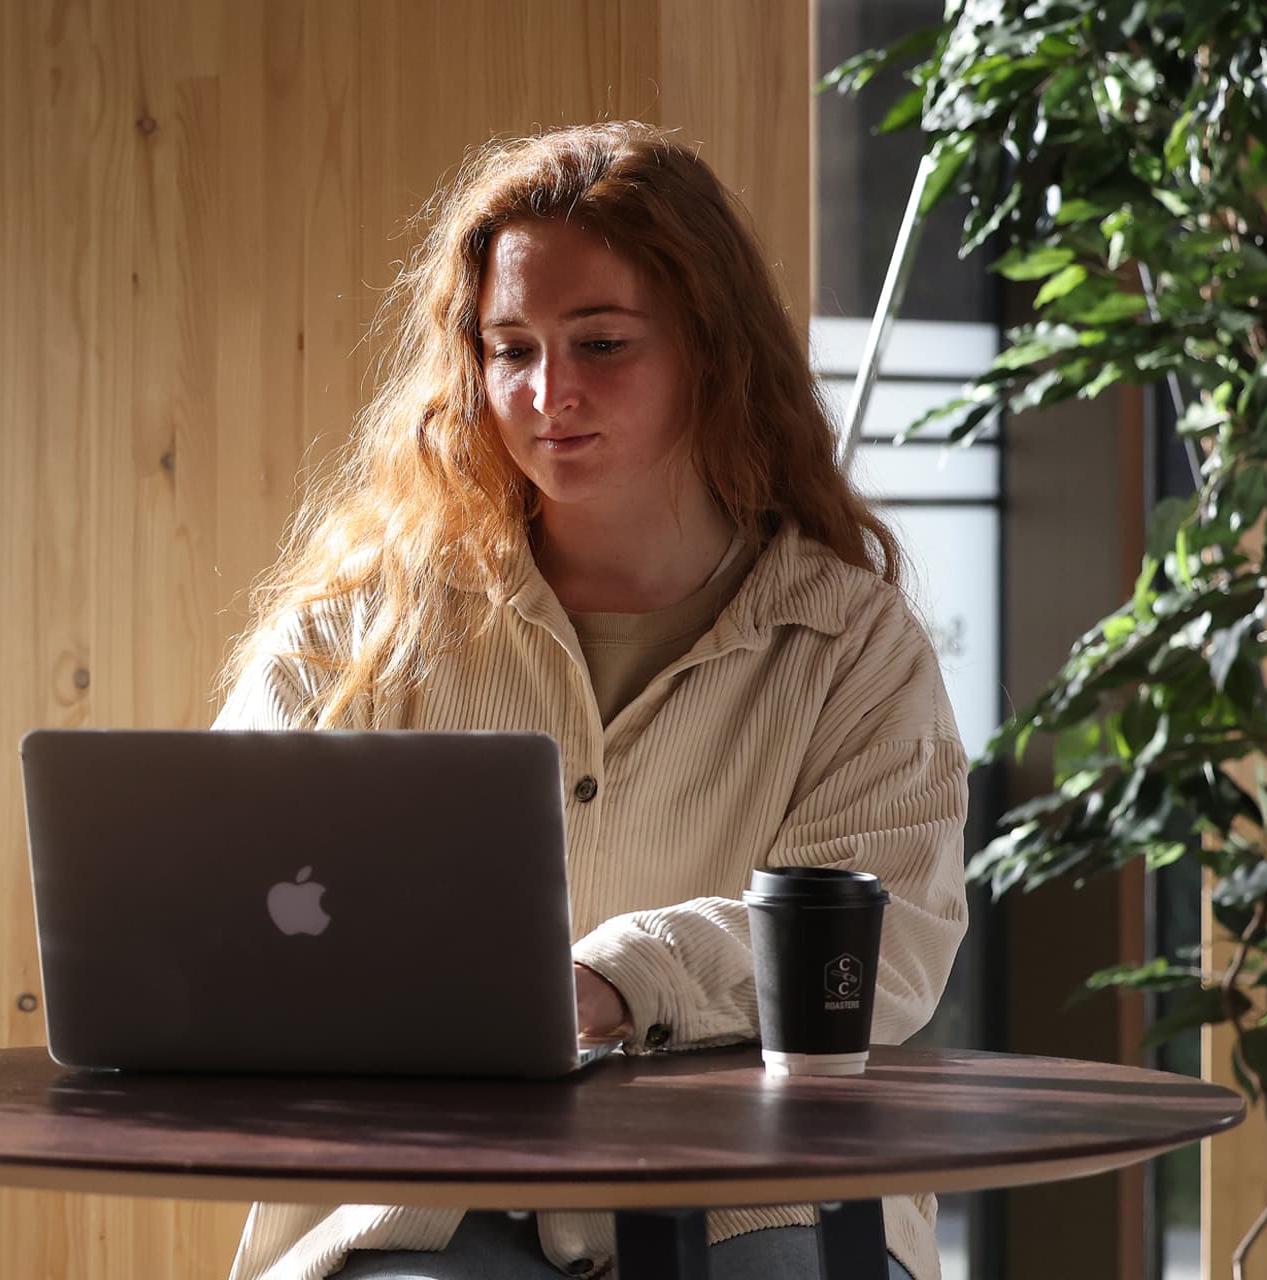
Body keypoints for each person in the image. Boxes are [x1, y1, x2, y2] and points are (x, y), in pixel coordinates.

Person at [214, 121, 969, 1280]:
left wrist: (623, 977)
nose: (547, 392)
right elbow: (212, 878)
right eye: (509, 347)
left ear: (711, 352)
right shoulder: (361, 629)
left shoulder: (850, 642)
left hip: (756, 1203)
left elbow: (888, 951)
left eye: (601, 343)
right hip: (430, 1199)